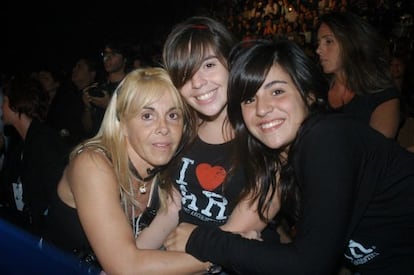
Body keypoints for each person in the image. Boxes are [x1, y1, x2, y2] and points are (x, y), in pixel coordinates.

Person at [164, 39, 414, 275]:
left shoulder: (327, 137)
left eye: (277, 92)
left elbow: (308, 265)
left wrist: (199, 239)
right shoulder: (279, 160)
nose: (262, 109)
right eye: (250, 99)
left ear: (309, 94)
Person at [42, 67, 211, 274]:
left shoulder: (168, 171)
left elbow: (138, 249)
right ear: (122, 123)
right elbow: (125, 267)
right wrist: (219, 255)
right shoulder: (93, 164)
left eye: (173, 115)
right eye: (148, 115)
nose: (164, 127)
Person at [1, 75, 69, 238]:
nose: (1, 107)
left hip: (47, 237)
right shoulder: (20, 145)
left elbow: (54, 199)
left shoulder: (46, 142)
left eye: (4, 101)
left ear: (16, 103)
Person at [316, 11, 401, 139]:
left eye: (328, 41)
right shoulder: (316, 91)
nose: (318, 50)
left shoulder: (382, 96)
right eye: (318, 43)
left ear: (351, 42)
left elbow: (377, 153)